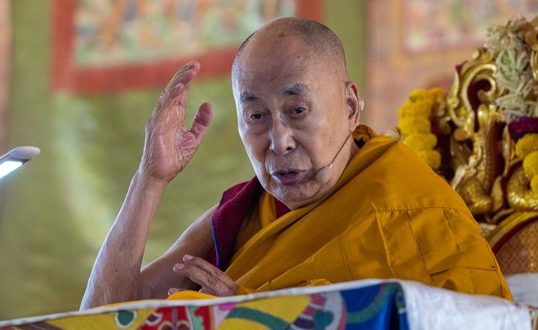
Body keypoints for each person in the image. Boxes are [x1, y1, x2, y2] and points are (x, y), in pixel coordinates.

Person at [80, 17, 512, 309]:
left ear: (349, 106)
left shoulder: (416, 214)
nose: (279, 142)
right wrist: (150, 179)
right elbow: (102, 317)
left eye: (298, 111)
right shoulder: (244, 214)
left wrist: (262, 316)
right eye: (257, 117)